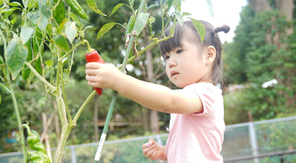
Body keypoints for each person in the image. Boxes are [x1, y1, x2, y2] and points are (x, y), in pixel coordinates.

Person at [85, 20, 230, 162]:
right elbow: (190, 150)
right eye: (167, 56)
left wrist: (119, 81)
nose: (171, 62)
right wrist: (164, 152)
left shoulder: (207, 93)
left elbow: (169, 101)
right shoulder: (191, 98)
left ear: (209, 55)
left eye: (179, 51)